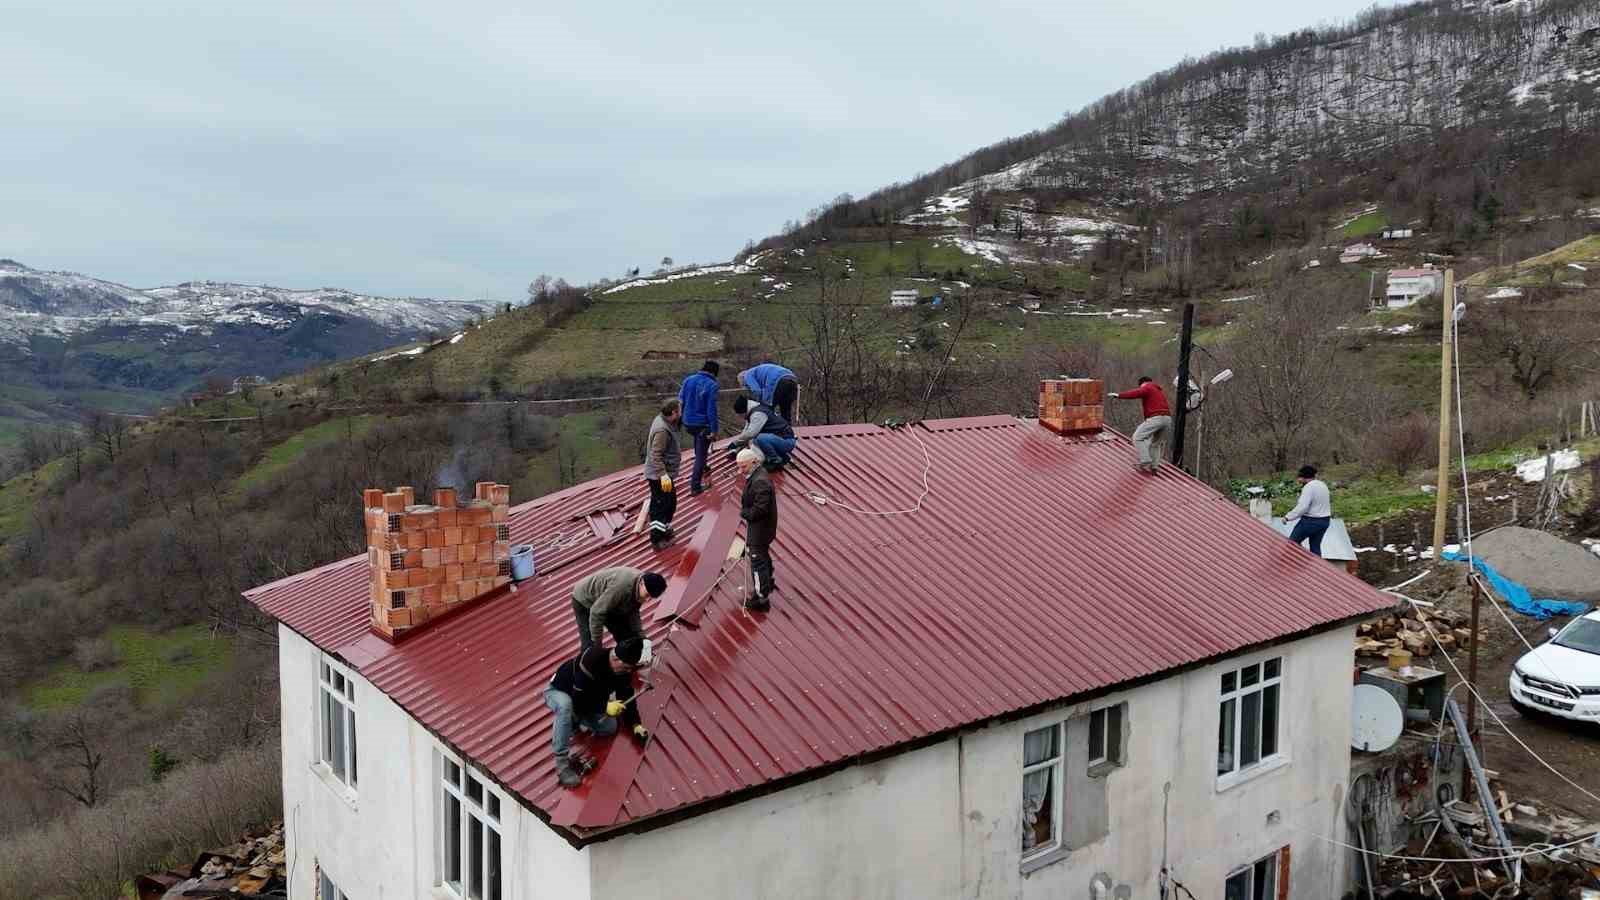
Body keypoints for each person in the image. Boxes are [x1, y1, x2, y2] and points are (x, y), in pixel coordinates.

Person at [544, 638, 653, 787]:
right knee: (566, 706)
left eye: (631, 668)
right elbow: (578, 700)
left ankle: (574, 720)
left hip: (586, 703)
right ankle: (562, 765)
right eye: (626, 667)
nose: (628, 672)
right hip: (560, 692)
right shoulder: (590, 661)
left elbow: (627, 696)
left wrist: (636, 725)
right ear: (615, 658)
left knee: (610, 727)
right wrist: (604, 707)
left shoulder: (624, 670)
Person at [571, 566, 668, 649]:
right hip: (584, 599)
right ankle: (585, 667)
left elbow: (633, 613)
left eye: (651, 597)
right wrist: (597, 645)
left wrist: (642, 638)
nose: (647, 600)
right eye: (647, 595)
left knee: (626, 635)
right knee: (590, 644)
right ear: (641, 583)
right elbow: (596, 612)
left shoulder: (642, 588)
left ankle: (629, 658)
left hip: (608, 601)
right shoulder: (621, 588)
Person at [736, 446, 779, 610]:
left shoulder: (760, 481)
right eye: (739, 466)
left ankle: (761, 598)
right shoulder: (757, 475)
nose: (741, 470)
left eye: (743, 466)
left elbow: (760, 509)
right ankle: (768, 580)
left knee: (757, 561)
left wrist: (745, 513)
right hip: (761, 527)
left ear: (753, 462)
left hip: (760, 528)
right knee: (762, 555)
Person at [642, 399, 684, 551]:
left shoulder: (665, 421)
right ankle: (657, 540)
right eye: (679, 411)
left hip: (663, 474)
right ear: (673, 413)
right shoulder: (662, 430)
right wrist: (663, 475)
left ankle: (664, 528)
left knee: (670, 503)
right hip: (658, 475)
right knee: (660, 506)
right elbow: (655, 455)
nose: (681, 413)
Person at [1108, 376, 1172, 472]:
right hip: (1167, 419)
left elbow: (1136, 393)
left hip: (1156, 418)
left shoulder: (1147, 387)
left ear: (1142, 384)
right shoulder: (1158, 390)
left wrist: (1119, 395)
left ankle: (1145, 460)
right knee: (1155, 443)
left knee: (1137, 437)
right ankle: (1154, 466)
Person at [678, 360, 721, 495]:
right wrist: (714, 430)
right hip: (703, 425)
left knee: (699, 445)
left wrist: (681, 420)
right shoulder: (712, 385)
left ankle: (703, 467)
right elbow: (711, 410)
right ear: (714, 373)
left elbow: (680, 401)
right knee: (701, 456)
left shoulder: (688, 380)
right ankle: (695, 487)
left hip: (688, 423)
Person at [730, 395, 796, 470]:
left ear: (743, 411)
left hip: (787, 441)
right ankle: (782, 457)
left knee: (760, 438)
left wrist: (735, 443)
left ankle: (775, 460)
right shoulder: (752, 412)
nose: (740, 417)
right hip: (778, 439)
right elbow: (745, 433)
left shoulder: (758, 414)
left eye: (740, 415)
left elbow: (751, 434)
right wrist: (736, 450)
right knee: (755, 441)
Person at [1283, 465, 1333, 556]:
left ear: (1303, 477)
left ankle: (1297, 565)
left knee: (1292, 544)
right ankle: (1317, 568)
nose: (1298, 480)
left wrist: (1288, 517)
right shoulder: (1322, 485)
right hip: (1324, 521)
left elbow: (1302, 506)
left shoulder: (1309, 487)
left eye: (1299, 477)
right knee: (1315, 548)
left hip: (1310, 522)